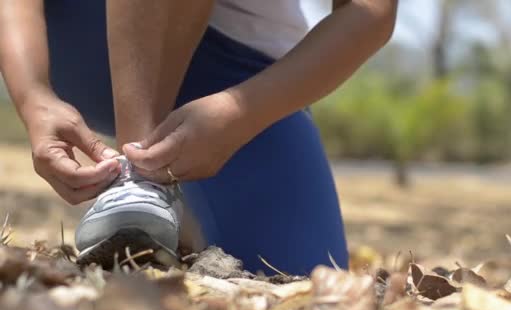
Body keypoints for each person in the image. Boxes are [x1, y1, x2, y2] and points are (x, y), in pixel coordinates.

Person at [0, 0, 397, 275]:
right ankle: (140, 184)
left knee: (304, 273)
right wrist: (33, 95)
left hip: (245, 72)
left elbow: (373, 11)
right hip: (82, 33)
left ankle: (179, 210)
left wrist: (243, 113)